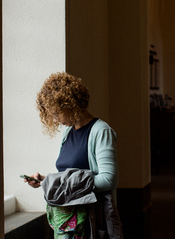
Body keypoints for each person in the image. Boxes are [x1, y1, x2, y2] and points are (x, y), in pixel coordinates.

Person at [24, 72, 123, 238]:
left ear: (70, 105)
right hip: (66, 223)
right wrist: (45, 179)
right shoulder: (68, 132)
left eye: (57, 114)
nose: (55, 120)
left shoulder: (101, 131)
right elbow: (70, 176)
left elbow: (108, 179)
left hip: (90, 222)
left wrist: (65, 185)